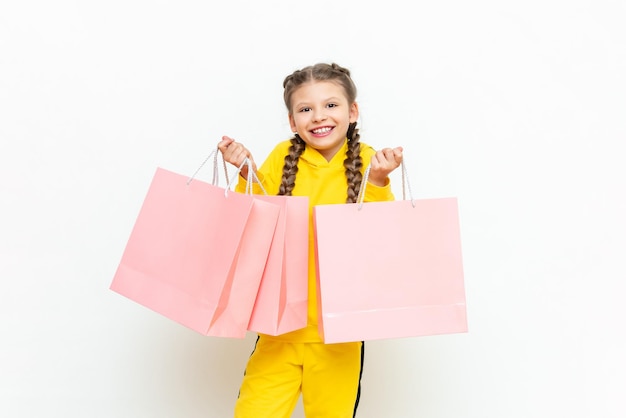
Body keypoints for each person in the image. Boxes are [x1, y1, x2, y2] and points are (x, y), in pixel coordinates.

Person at [218, 62, 403, 418]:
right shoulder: (282, 159)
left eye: (331, 105)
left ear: (352, 112)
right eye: (305, 109)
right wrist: (246, 171)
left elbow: (381, 238)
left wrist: (378, 180)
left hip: (339, 335)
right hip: (280, 330)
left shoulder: (368, 161)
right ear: (292, 121)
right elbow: (255, 224)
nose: (319, 116)